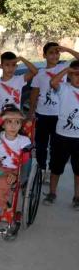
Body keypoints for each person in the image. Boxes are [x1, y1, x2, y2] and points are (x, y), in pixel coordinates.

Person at [28, 43, 79, 182]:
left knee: (55, 147)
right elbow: (34, 93)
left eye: (57, 53)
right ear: (44, 55)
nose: (54, 55)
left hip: (59, 116)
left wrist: (67, 49)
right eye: (51, 52)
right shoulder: (39, 74)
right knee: (41, 145)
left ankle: (51, 172)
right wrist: (30, 113)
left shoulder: (63, 67)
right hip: (42, 114)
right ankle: (41, 170)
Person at [45, 60, 79, 208]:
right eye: (76, 74)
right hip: (61, 136)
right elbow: (53, 81)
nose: (78, 78)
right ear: (70, 76)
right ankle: (52, 193)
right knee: (56, 168)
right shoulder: (64, 88)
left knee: (78, 171)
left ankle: (77, 197)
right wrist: (67, 70)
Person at [0, 51, 38, 117]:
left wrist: (21, 59)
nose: (10, 68)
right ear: (0, 66)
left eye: (13, 65)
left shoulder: (19, 79)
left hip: (15, 118)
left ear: (16, 66)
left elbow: (35, 71)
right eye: (7, 65)